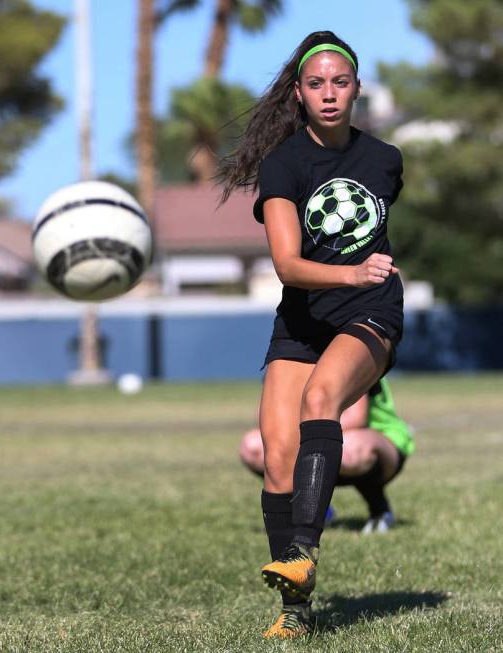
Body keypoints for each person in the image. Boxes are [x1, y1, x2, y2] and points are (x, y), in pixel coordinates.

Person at [218, 30, 404, 639]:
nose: (329, 93)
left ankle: (302, 552)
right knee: (277, 457)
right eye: (316, 84)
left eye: (340, 82)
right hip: (301, 318)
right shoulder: (283, 166)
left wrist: (359, 280)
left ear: (355, 88)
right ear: (298, 94)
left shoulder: (384, 159)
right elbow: (287, 265)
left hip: (368, 311)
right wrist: (350, 269)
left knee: (319, 401)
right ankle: (294, 612)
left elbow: (367, 246)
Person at [239, 377, 415, 534]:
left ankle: (379, 509)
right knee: (254, 446)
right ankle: (312, 509)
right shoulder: (287, 350)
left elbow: (355, 418)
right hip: (313, 436)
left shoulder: (345, 350)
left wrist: (299, 434)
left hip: (377, 438)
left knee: (347, 450)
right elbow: (268, 417)